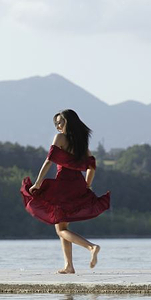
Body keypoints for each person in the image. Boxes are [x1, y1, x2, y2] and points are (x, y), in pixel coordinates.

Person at [21, 109, 110, 274]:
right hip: (77, 185)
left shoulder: (60, 138)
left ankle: (91, 247)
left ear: (69, 122)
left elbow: (49, 161)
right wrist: (87, 185)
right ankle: (69, 266)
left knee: (60, 229)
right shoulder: (81, 143)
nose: (58, 127)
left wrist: (38, 183)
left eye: (60, 122)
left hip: (63, 186)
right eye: (56, 124)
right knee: (62, 225)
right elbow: (92, 166)